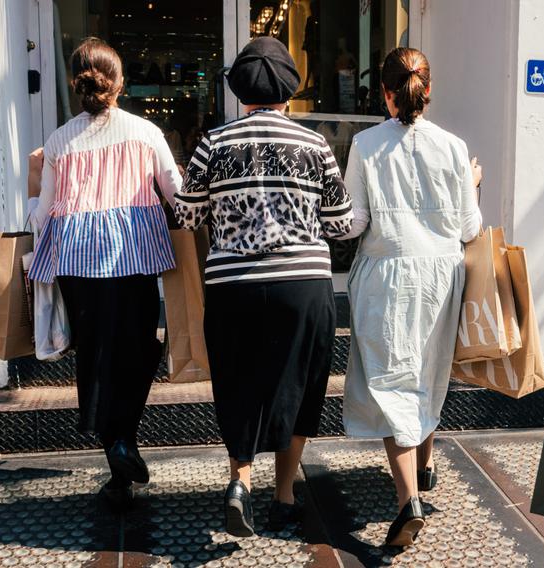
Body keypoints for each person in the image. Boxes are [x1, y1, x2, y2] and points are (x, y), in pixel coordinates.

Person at [175, 36, 352, 538]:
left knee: (239, 382)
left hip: (234, 286)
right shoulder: (314, 144)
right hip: (303, 284)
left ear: (241, 91)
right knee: (300, 385)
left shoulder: (214, 142)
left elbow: (187, 215)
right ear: (288, 91)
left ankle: (240, 484)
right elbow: (339, 225)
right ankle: (285, 494)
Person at [27, 38, 182, 511]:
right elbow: (176, 194)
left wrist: (32, 187)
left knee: (95, 357)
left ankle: (117, 455)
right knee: (139, 350)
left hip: (77, 263)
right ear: (118, 82)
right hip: (133, 257)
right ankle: (123, 442)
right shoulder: (145, 132)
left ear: (77, 84)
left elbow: (43, 213)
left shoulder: (57, 141)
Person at [338, 47, 483, 547]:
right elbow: (470, 228)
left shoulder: (365, 144)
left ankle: (408, 502)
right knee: (427, 370)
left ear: (384, 91)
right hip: (444, 273)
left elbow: (354, 223)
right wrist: (474, 184)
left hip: (388, 273)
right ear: (429, 87)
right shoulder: (454, 147)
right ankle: (423, 467)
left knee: (391, 381)